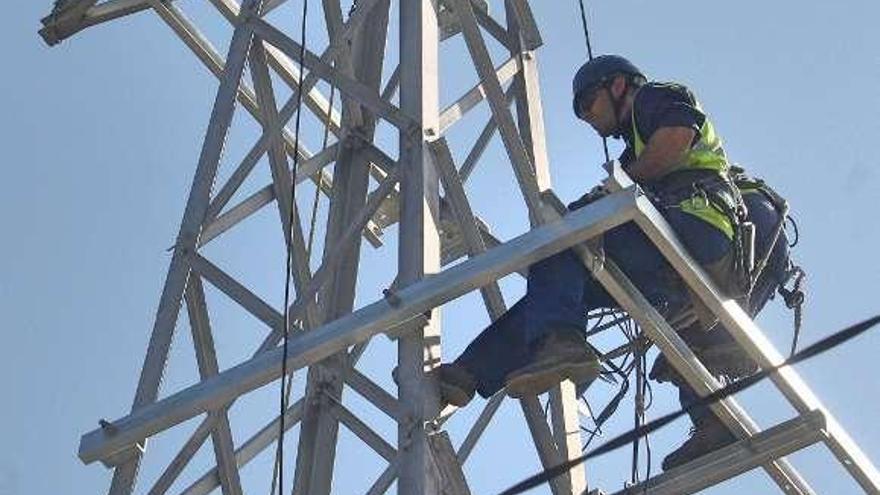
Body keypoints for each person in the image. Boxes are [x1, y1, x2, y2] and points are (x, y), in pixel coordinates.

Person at [431, 55, 796, 471]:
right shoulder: (633, 154)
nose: (586, 116)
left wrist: (601, 203)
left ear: (618, 85)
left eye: (587, 103)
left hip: (697, 226)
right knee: (566, 290)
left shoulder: (655, 99)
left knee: (567, 241)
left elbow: (676, 138)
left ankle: (562, 343)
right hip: (689, 259)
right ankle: (470, 372)